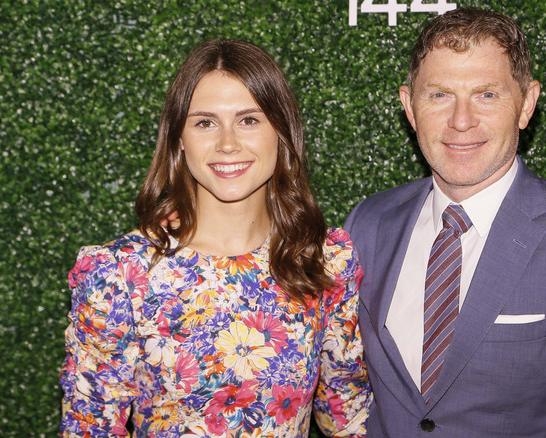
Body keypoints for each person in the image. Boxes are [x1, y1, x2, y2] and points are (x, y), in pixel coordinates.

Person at [344, 7, 546, 437]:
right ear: (409, 106)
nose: (461, 120)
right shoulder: (368, 224)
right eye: (439, 95)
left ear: (526, 104)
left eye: (487, 94)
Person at [60, 39, 371, 437]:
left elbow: (348, 417)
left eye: (249, 120)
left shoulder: (325, 259)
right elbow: (91, 429)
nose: (227, 144)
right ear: (178, 139)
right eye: (205, 122)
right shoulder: (120, 274)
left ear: (281, 132)